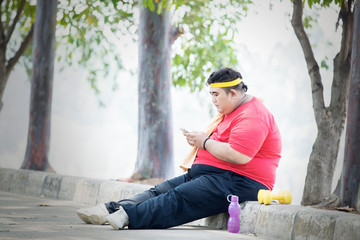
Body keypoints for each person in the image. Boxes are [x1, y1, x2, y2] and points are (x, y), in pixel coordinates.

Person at [76, 67, 282, 230]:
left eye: (216, 95)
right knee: (160, 190)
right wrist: (200, 141)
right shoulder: (234, 109)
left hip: (240, 181)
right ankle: (110, 209)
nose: (213, 101)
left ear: (234, 93)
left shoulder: (253, 115)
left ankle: (128, 216)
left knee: (178, 197)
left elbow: (239, 155)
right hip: (215, 174)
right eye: (211, 94)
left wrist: (204, 142)